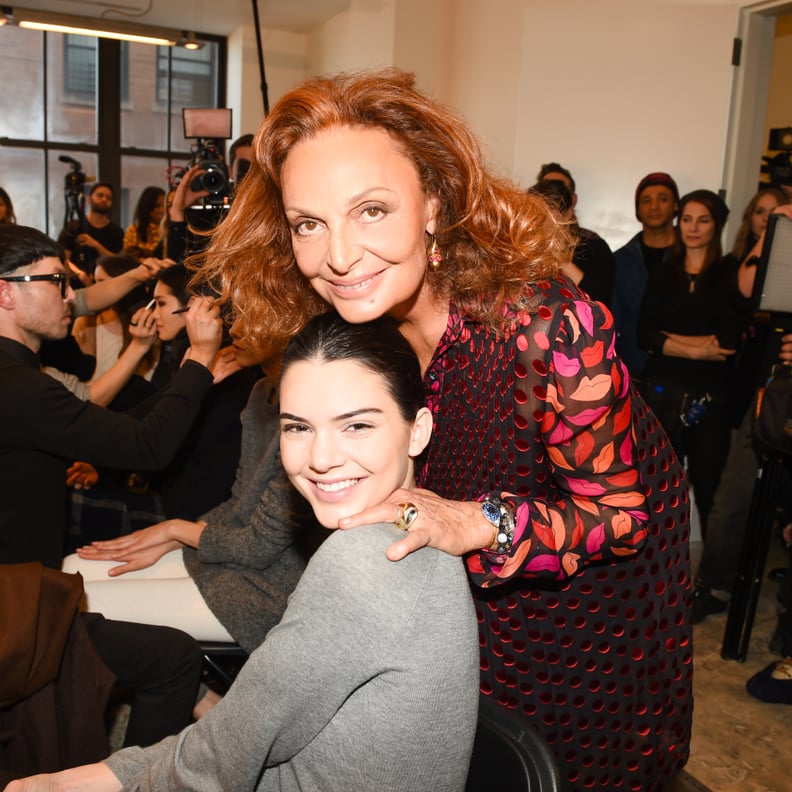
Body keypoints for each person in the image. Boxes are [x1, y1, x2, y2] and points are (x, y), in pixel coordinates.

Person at [189, 68, 693, 791]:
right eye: (309, 223)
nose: (337, 256)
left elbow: (621, 518)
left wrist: (476, 520)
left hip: (592, 622)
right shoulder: (352, 329)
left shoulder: (542, 326)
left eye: (370, 210)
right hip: (462, 605)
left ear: (432, 203)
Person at [8, 310, 480, 792]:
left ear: (418, 430)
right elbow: (233, 738)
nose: (320, 458)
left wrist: (70, 786)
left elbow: (216, 765)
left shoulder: (363, 562)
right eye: (297, 428)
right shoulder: (409, 529)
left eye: (356, 426)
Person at [0, 224, 225, 749]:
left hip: (25, 597)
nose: (70, 295)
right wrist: (201, 358)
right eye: (56, 281)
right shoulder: (19, 388)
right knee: (174, 661)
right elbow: (150, 446)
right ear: (5, 292)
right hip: (15, 610)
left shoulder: (20, 380)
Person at [64, 327, 319, 656]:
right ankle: (193, 694)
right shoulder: (261, 391)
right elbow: (238, 502)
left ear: (284, 322)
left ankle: (193, 696)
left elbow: (259, 547)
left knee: (75, 604)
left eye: (250, 317)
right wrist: (178, 536)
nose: (235, 329)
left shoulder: (307, 410)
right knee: (72, 570)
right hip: (233, 563)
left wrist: (175, 530)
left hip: (272, 589)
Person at [637, 189, 743, 539]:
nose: (693, 228)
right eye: (687, 220)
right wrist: (698, 349)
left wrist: (671, 341)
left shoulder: (730, 273)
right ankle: (652, 567)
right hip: (661, 393)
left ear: (717, 226)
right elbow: (645, 334)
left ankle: (711, 577)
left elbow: (727, 342)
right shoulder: (663, 272)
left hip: (711, 399)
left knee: (709, 486)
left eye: (703, 220)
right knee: (653, 487)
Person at [612, 172, 681, 378]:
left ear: (676, 206)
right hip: (632, 368)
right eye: (646, 200)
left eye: (663, 199)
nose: (654, 207)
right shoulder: (619, 260)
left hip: (681, 367)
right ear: (638, 210)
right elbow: (613, 320)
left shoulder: (693, 257)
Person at [536, 162, 616, 307]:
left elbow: (599, 304)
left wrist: (559, 257)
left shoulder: (594, 246)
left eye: (557, 194)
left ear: (571, 202)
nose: (547, 208)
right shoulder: (523, 248)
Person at [58, 182, 124, 278]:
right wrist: (81, 275)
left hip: (107, 284)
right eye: (100, 195)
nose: (104, 199)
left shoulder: (116, 232)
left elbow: (117, 264)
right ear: (89, 199)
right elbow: (63, 259)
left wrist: (96, 245)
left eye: (109, 198)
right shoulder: (74, 227)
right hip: (76, 282)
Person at [123, 186, 166, 257]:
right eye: (157, 206)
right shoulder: (134, 231)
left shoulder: (170, 231)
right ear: (147, 207)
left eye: (165, 205)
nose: (162, 210)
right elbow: (128, 259)